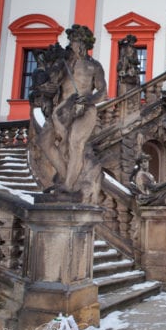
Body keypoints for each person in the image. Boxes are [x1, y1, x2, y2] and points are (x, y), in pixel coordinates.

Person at [33, 24, 106, 203]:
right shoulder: (63, 63)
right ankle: (65, 175)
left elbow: (103, 91)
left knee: (75, 142)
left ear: (83, 44)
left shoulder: (94, 66)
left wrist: (89, 100)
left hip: (85, 109)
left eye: (75, 41)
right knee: (44, 141)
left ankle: (69, 184)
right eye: (72, 41)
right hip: (64, 109)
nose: (73, 45)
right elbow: (52, 83)